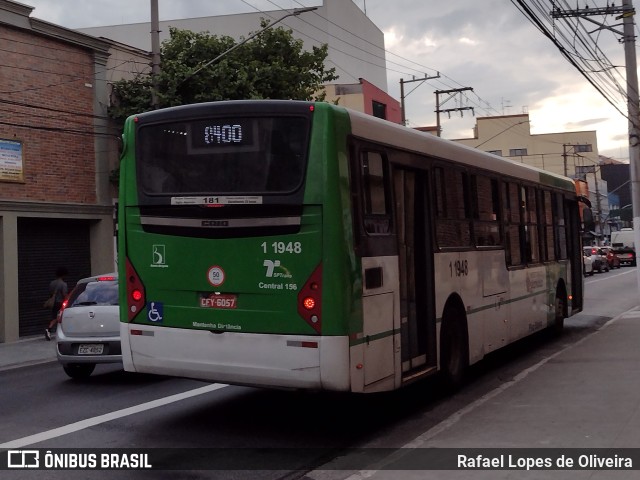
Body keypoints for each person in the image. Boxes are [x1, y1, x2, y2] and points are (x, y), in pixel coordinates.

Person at [45, 266, 68, 341]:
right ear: (64, 274)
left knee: (55, 317)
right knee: (58, 317)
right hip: (60, 303)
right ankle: (49, 329)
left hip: (54, 303)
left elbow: (50, 293)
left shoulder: (52, 283)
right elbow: (64, 294)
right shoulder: (63, 284)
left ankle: (51, 329)